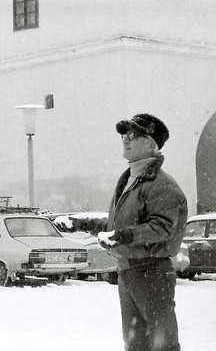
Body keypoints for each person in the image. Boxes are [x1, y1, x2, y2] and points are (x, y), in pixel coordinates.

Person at [74, 113, 188, 351]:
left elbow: (162, 227)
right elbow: (118, 226)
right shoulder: (130, 180)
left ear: (150, 144)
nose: (125, 139)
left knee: (163, 344)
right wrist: (83, 224)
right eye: (124, 135)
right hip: (129, 273)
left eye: (133, 135)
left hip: (151, 273)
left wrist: (125, 235)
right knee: (136, 345)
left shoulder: (161, 184)